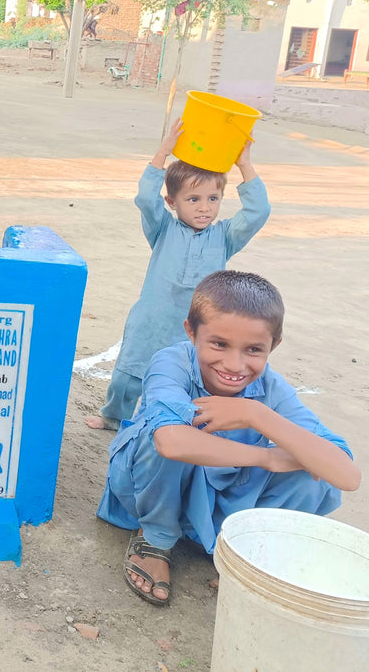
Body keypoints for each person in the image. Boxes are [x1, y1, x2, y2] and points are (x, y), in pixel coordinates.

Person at [97, 270, 360, 605]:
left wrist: (256, 414)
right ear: (191, 332)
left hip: (220, 499)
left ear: (273, 346)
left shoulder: (272, 390)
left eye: (253, 349)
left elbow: (346, 476)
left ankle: (238, 547)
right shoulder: (173, 362)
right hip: (155, 491)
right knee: (160, 434)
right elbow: (169, 443)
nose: (234, 365)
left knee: (313, 471)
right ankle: (156, 538)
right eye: (219, 344)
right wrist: (265, 456)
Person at [85, 121, 270, 431]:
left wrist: (245, 164)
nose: (204, 209)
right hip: (152, 319)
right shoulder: (163, 229)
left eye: (213, 199)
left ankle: (172, 424)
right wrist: (163, 151)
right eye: (193, 199)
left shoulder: (225, 236)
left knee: (186, 377)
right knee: (129, 374)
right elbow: (146, 198)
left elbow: (258, 211)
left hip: (194, 327)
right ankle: (114, 417)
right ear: (172, 202)